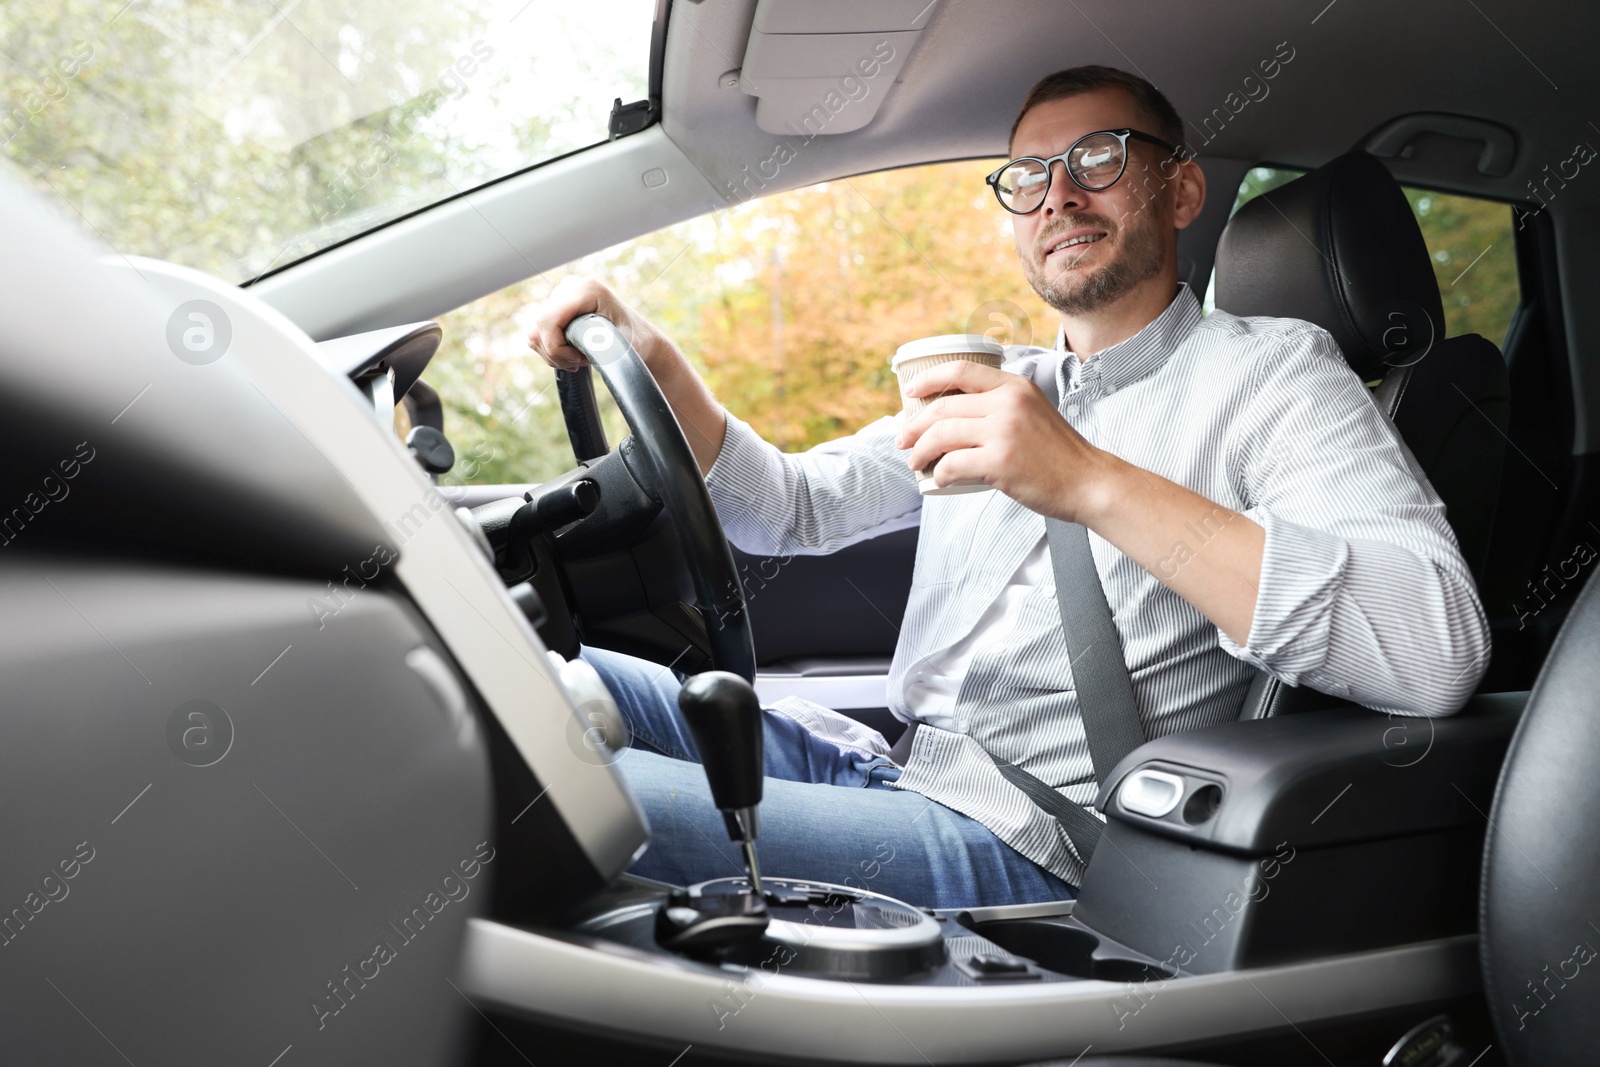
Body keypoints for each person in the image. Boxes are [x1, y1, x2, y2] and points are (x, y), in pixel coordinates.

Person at [525, 65, 1490, 908]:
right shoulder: (1002, 381)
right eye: (1028, 178)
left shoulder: (1275, 374)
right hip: (908, 776)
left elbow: (1433, 648)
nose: (1058, 197)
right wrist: (650, 351)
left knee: (546, 801)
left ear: (1183, 189)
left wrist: (1085, 479)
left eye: (1100, 159)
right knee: (541, 691)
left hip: (1048, 843)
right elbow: (788, 508)